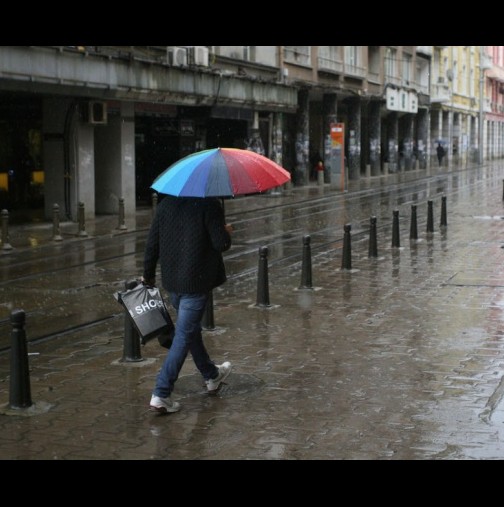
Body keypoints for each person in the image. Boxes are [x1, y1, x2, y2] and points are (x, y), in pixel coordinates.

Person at [143, 195, 233, 414]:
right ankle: (161, 393)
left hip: (172, 281)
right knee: (184, 335)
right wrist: (226, 231)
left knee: (190, 331)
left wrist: (148, 276)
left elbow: (152, 243)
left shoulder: (165, 205)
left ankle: (211, 375)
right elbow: (220, 243)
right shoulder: (209, 204)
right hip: (196, 281)